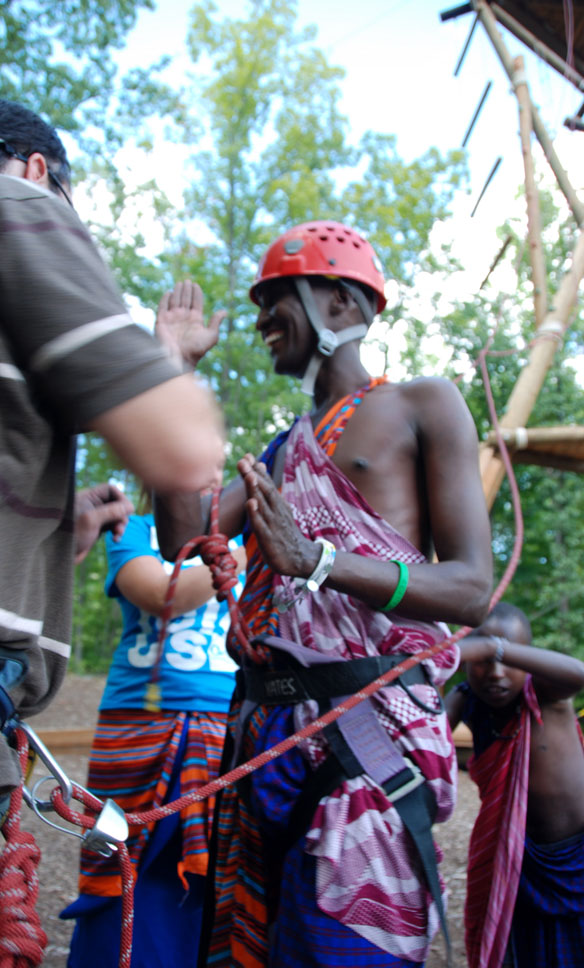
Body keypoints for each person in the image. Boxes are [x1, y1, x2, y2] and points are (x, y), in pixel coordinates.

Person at [153, 221, 494, 967]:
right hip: (265, 739)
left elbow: (472, 588)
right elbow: (181, 532)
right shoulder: (282, 450)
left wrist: (318, 561)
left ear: (339, 301)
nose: (260, 321)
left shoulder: (424, 404)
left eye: (275, 300)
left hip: (366, 741)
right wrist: (172, 371)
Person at [0, 95, 225, 968]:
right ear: (36, 170)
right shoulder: (3, 204)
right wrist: (168, 363)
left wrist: (53, 533)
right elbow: (181, 451)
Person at [60, 504, 245, 967]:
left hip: (226, 720)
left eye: (214, 472)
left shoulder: (249, 537)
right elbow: (163, 594)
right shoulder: (134, 530)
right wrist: (248, 551)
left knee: (212, 873)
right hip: (135, 724)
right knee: (118, 859)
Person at [445, 602, 584, 968]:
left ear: (528, 658)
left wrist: (493, 647)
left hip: (575, 859)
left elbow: (578, 673)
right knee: (524, 950)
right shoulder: (467, 700)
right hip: (516, 861)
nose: (496, 673)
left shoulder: (547, 694)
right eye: (482, 661)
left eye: (509, 659)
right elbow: (430, 736)